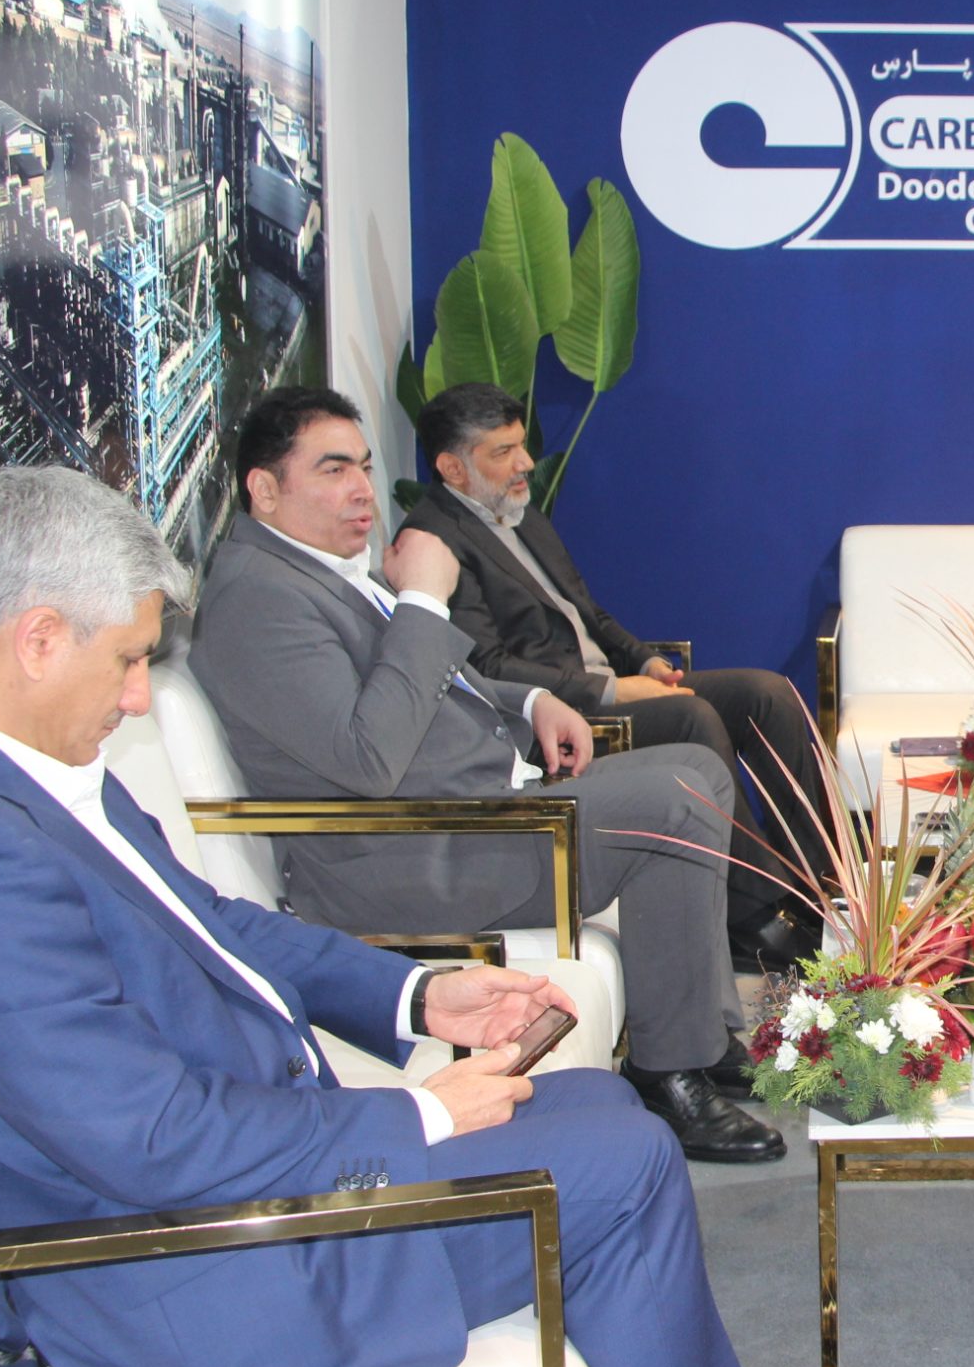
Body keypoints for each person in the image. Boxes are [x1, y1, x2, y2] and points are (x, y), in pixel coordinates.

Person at [0, 467, 786, 1367]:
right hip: (186, 1266)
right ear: (40, 638)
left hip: (223, 1195)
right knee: (622, 1161)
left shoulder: (5, 779)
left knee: (595, 1105)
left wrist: (420, 995)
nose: (139, 697)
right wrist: (418, 1115)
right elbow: (152, 1142)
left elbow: (215, 925)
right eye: (131, 660)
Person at [189, 388, 782, 1164]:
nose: (362, 488)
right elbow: (368, 759)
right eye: (333, 470)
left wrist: (529, 701)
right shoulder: (258, 598)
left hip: (476, 813)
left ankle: (697, 1036)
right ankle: (669, 1069)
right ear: (264, 489)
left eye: (363, 466)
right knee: (676, 796)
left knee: (692, 768)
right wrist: (421, 599)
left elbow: (427, 683)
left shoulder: (311, 570)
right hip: (415, 854)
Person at [400, 382, 826, 973]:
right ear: (452, 467)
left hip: (612, 685)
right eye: (503, 452)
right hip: (557, 715)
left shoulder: (519, 513)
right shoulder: (432, 541)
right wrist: (611, 689)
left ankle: (816, 885)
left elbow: (589, 615)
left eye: (521, 446)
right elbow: (484, 667)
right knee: (691, 716)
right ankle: (752, 914)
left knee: (767, 694)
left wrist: (642, 660)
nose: (526, 463)